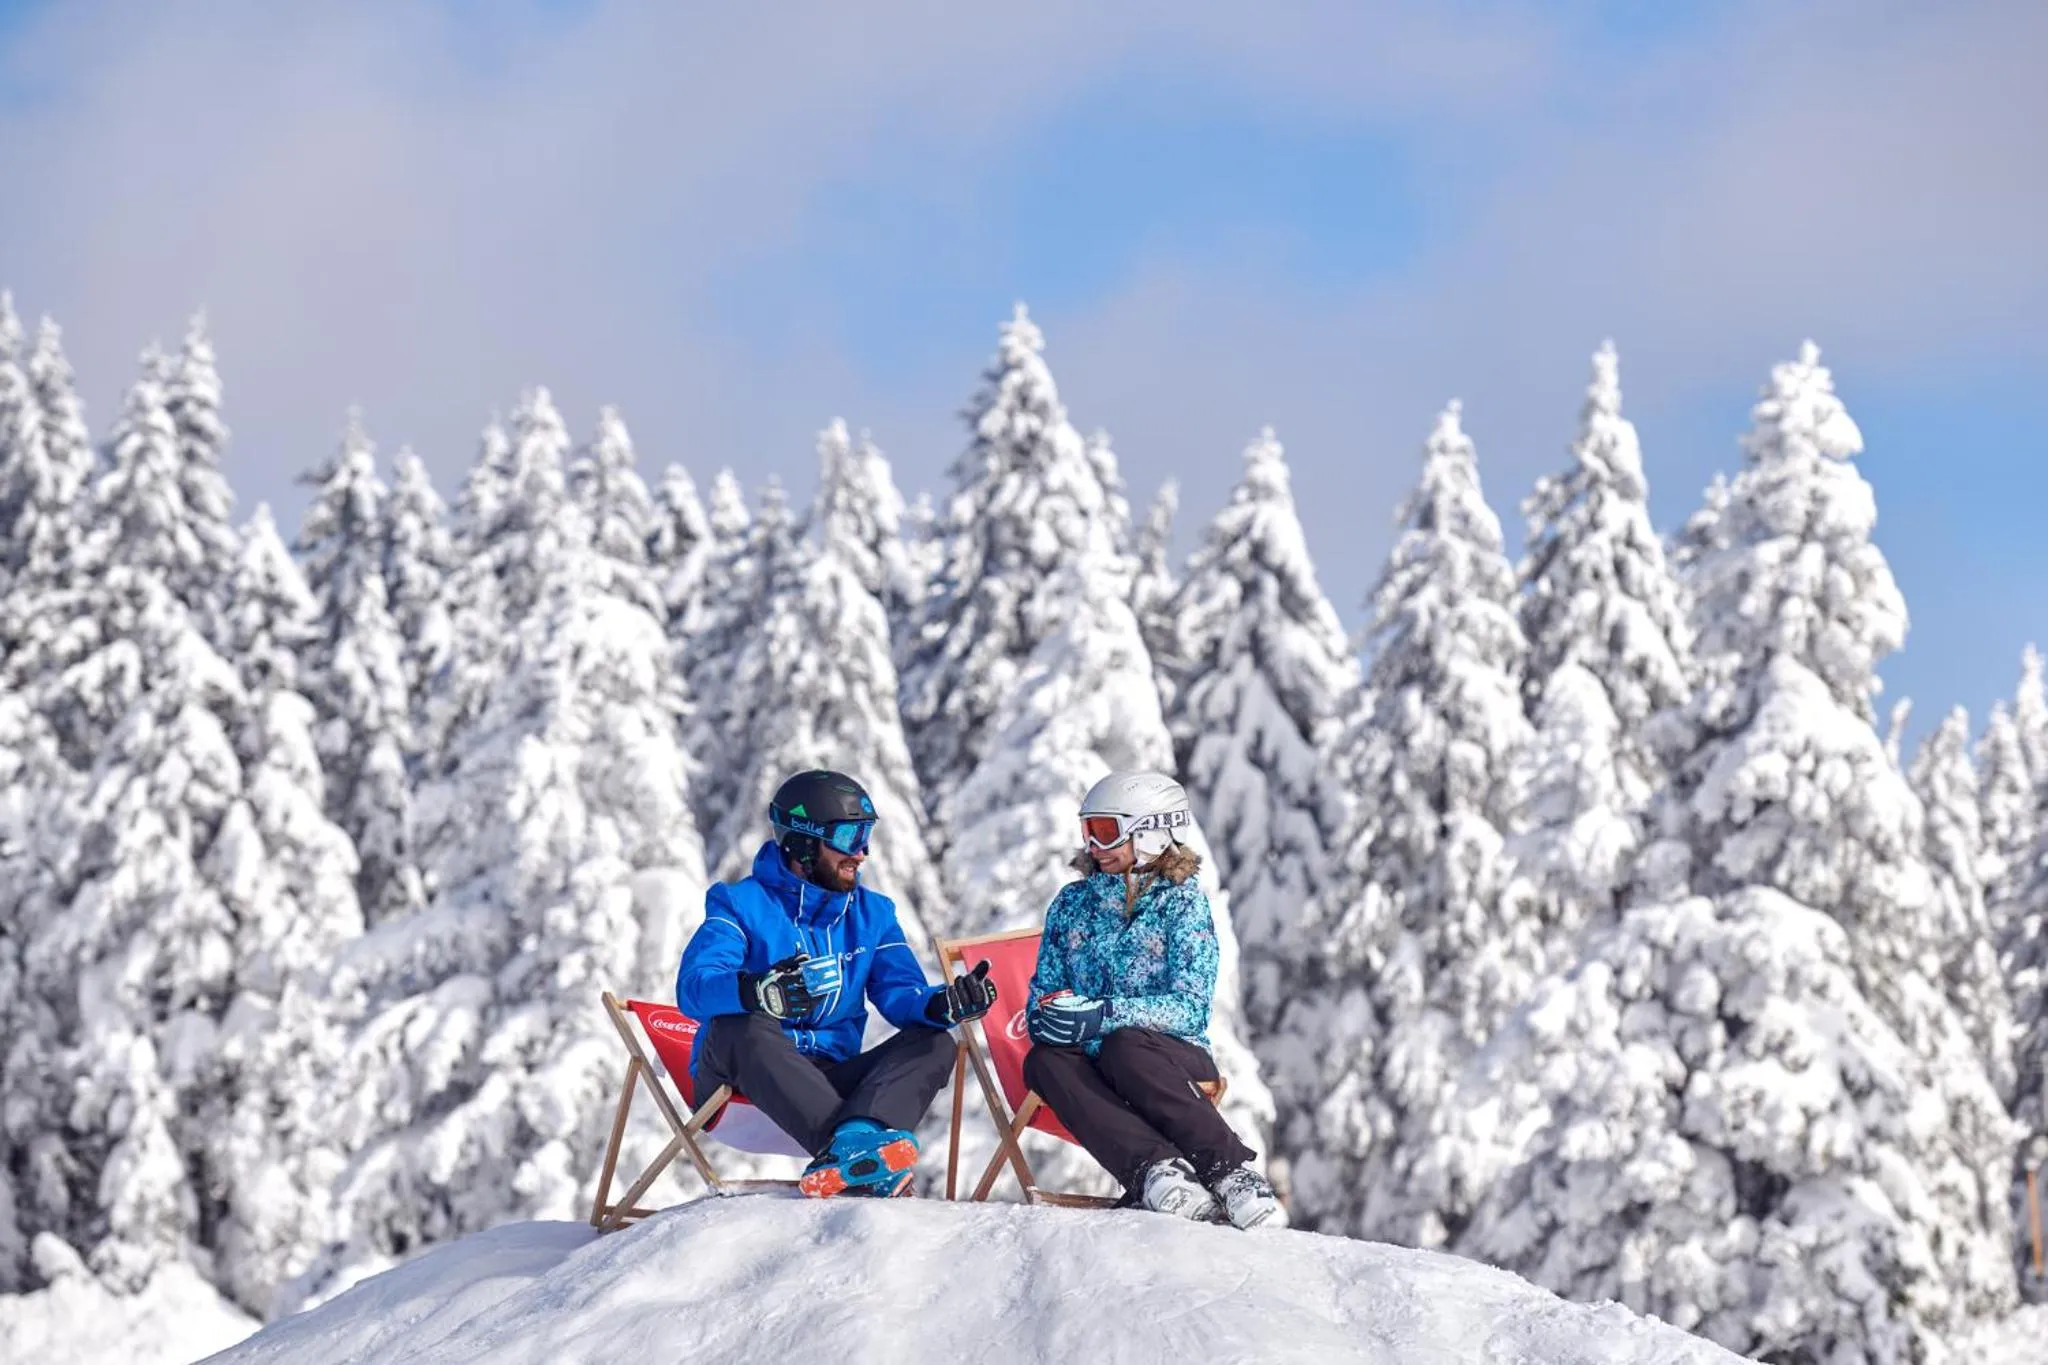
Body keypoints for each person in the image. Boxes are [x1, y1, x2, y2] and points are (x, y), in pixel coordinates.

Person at [675, 769, 996, 1198]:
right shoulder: (738, 905)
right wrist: (755, 991)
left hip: (829, 1081)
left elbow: (902, 993)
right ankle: (855, 1158)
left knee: (936, 1040)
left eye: (866, 837)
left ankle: (854, 1145)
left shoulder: (873, 914)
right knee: (741, 1022)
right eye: (848, 838)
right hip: (740, 1083)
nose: (861, 853)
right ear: (803, 843)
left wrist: (942, 1004)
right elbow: (694, 987)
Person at [1022, 771, 1285, 1229]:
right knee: (1043, 1062)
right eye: (1088, 832)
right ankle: (1158, 1171)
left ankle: (1231, 1174)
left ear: (1151, 833)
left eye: (1105, 831)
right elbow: (1041, 996)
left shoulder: (1181, 904)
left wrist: (1104, 1014)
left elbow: (1189, 1006)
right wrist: (1051, 1019)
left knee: (1126, 1044)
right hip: (1095, 1061)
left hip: (1169, 1060)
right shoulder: (1070, 905)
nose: (1094, 845)